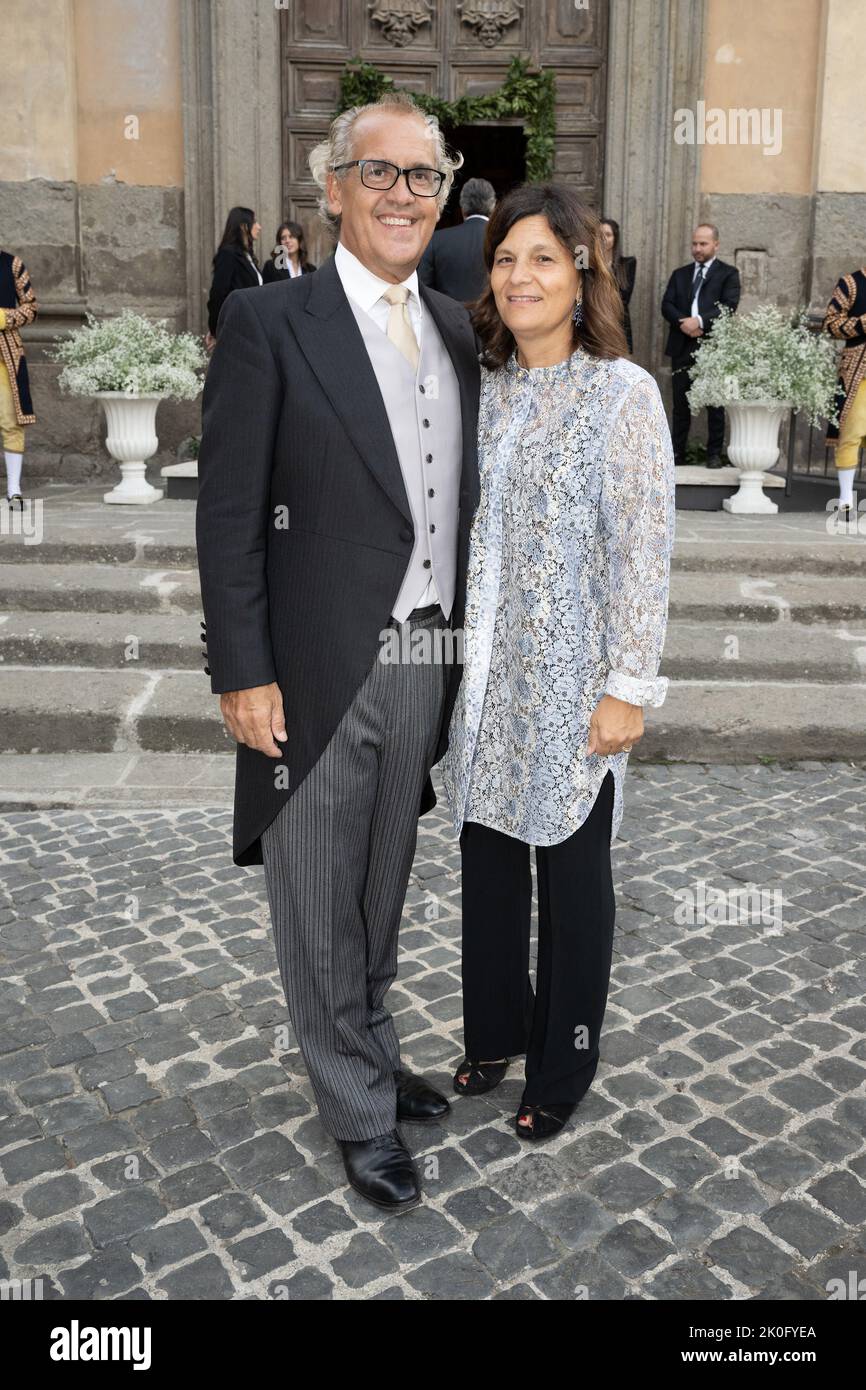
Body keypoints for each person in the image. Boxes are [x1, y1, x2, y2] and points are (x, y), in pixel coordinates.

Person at [196, 91, 480, 1213]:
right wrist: (239, 669)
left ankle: (370, 1043)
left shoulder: (458, 328)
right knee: (314, 898)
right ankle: (355, 1112)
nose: (404, 195)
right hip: (311, 660)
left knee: (380, 880)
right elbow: (227, 519)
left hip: (423, 654)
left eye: (423, 176)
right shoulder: (274, 323)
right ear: (332, 187)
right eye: (380, 173)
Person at [442, 184, 675, 1142]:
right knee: (488, 861)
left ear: (582, 275)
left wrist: (630, 683)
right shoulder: (480, 392)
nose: (519, 277)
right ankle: (494, 1028)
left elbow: (645, 546)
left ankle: (564, 1059)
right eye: (504, 258)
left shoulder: (623, 394)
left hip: (578, 684)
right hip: (489, 679)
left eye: (542, 258)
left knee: (572, 876)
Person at [661, 224, 740, 467]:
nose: (697, 248)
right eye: (694, 243)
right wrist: (683, 322)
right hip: (682, 344)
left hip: (712, 346)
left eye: (703, 244)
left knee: (715, 403)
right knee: (680, 404)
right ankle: (677, 453)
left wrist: (700, 321)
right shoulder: (680, 274)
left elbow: (729, 305)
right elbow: (667, 304)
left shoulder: (728, 273)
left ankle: (714, 454)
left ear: (716, 244)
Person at [823, 266, 866, 513]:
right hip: (857, 372)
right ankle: (846, 497)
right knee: (851, 432)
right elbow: (831, 323)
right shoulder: (851, 283)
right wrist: (862, 323)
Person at [0, 247, 38, 508]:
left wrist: (4, 317)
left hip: (6, 354)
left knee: (11, 420)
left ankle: (14, 488)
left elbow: (31, 307)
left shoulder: (12, 264)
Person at [418, 177, 495, 303]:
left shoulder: (436, 240)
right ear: (493, 206)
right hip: (491, 320)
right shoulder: (502, 239)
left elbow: (423, 289)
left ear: (462, 208)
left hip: (446, 320)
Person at [205, 207, 263, 347]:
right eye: (255, 222)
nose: (259, 227)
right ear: (243, 227)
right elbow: (218, 293)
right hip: (237, 330)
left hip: (252, 329)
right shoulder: (228, 254)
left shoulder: (247, 255)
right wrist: (215, 330)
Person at [599, 216, 636, 353]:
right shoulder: (588, 264)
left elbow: (624, 296)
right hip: (593, 323)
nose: (603, 239)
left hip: (617, 324)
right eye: (599, 235)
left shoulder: (627, 264)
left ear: (615, 238)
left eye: (608, 235)